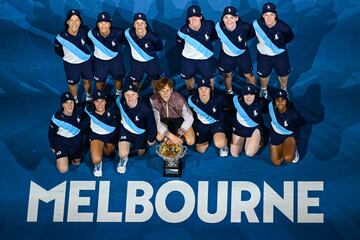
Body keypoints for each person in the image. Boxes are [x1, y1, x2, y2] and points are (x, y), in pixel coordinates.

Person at [252, 2, 294, 99]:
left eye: (271, 15)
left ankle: (283, 90)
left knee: (283, 75)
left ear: (275, 15)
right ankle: (263, 90)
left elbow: (290, 37)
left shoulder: (284, 27)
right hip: (263, 56)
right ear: (262, 16)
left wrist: (278, 46)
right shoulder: (257, 24)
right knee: (263, 76)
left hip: (280, 55)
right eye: (266, 15)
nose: (269, 18)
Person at [115, 82, 157, 174]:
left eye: (133, 94)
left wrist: (151, 139)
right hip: (125, 130)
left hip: (140, 132)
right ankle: (123, 160)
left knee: (141, 152)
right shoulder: (120, 101)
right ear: (124, 95)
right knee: (122, 154)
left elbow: (152, 125)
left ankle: (130, 146)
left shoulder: (146, 109)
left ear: (137, 95)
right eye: (127, 94)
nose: (130, 97)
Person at [177, 5, 218, 93]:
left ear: (200, 16)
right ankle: (191, 94)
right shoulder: (182, 31)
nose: (194, 18)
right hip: (188, 59)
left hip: (206, 58)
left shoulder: (209, 25)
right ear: (188, 18)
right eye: (191, 17)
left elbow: (214, 36)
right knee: (188, 79)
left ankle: (210, 96)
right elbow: (179, 44)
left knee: (210, 80)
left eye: (196, 16)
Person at [54, 9, 92, 103]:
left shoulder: (84, 30)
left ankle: (88, 97)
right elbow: (58, 51)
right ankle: (75, 100)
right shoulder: (60, 38)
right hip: (71, 65)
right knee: (73, 83)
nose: (74, 23)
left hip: (86, 62)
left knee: (87, 81)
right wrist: (69, 57)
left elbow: (88, 42)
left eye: (77, 20)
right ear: (67, 22)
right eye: (72, 20)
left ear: (80, 21)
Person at [215, 6, 256, 94]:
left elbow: (251, 35)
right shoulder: (218, 27)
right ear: (223, 18)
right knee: (226, 76)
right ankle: (229, 92)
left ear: (236, 18)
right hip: (226, 55)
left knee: (249, 75)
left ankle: (251, 92)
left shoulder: (245, 27)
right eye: (226, 17)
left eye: (231, 17)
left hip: (242, 55)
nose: (228, 20)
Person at [188, 79, 229, 156]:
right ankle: (210, 136)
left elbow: (228, 106)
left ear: (210, 89)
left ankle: (223, 143)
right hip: (202, 123)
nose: (203, 92)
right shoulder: (192, 100)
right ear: (198, 90)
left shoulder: (219, 98)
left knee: (220, 143)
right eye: (201, 89)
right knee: (200, 150)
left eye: (206, 89)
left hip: (216, 122)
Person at [88, 12, 125, 96]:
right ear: (97, 24)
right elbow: (88, 42)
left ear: (110, 24)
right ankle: (100, 96)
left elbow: (128, 41)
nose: (103, 26)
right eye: (101, 23)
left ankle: (118, 95)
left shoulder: (118, 33)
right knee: (99, 82)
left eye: (106, 23)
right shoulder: (91, 34)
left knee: (119, 79)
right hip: (99, 61)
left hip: (115, 60)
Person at [150, 77, 195, 146]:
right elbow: (156, 121)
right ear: (158, 91)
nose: (165, 93)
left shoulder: (179, 99)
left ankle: (175, 139)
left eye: (168, 90)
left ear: (172, 90)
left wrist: (178, 135)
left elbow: (190, 118)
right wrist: (171, 136)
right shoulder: (153, 99)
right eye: (162, 90)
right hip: (164, 119)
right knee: (159, 137)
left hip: (178, 118)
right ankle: (168, 138)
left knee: (190, 141)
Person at [84, 89, 120, 177]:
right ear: (93, 102)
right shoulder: (88, 109)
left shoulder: (113, 108)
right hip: (96, 136)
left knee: (109, 153)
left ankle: (102, 147)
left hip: (110, 136)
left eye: (102, 101)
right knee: (96, 159)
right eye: (97, 101)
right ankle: (98, 166)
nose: (100, 104)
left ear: (105, 101)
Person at [124, 13, 163, 90]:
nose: (139, 25)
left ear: (146, 25)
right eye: (137, 23)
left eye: (142, 23)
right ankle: (137, 96)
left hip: (151, 62)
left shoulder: (154, 37)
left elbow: (159, 48)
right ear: (134, 25)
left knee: (156, 81)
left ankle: (156, 96)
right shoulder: (128, 34)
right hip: (136, 63)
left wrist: (147, 54)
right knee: (135, 82)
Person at [268, 89, 306, 166]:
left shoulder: (293, 114)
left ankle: (293, 150)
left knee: (288, 158)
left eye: (283, 100)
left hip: (289, 135)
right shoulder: (271, 106)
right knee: (276, 162)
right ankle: (285, 146)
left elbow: (301, 123)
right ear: (274, 101)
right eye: (277, 100)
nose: (280, 102)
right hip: (276, 134)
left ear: (286, 101)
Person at [48, 92, 83, 173]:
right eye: (66, 103)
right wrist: (53, 147)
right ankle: (60, 159)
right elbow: (51, 134)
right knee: (63, 169)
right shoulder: (56, 118)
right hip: (61, 143)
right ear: (62, 105)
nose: (70, 105)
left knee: (76, 162)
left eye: (71, 102)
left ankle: (67, 157)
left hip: (76, 142)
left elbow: (91, 105)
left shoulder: (79, 110)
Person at [231, 83, 268, 157]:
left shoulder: (261, 102)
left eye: (251, 94)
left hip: (254, 129)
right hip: (239, 127)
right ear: (242, 95)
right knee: (235, 153)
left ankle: (264, 134)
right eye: (246, 94)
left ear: (255, 95)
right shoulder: (236, 100)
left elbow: (274, 108)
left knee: (249, 153)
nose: (248, 97)